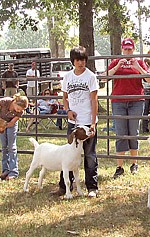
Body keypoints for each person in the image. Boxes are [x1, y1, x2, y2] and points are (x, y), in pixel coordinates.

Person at [54, 46, 100, 197]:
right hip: (73, 122)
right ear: (73, 61)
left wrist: (93, 123)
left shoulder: (91, 77)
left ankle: (92, 187)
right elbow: (64, 97)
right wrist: (67, 110)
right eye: (78, 60)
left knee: (90, 155)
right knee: (69, 153)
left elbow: (94, 100)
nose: (81, 63)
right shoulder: (67, 77)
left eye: (83, 60)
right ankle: (64, 186)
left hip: (87, 121)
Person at [108, 38, 150, 178]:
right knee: (121, 132)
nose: (128, 52)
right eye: (125, 49)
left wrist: (138, 67)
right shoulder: (116, 61)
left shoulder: (139, 62)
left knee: (134, 132)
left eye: (130, 49)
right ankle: (119, 166)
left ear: (133, 49)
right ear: (122, 49)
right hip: (118, 100)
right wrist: (117, 67)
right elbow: (104, 77)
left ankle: (134, 163)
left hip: (136, 100)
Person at [0, 93, 29, 180]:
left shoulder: (20, 112)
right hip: (1, 122)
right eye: (18, 108)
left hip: (10, 126)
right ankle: (5, 169)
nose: (19, 111)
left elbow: (12, 123)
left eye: (21, 110)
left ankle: (13, 171)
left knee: (11, 147)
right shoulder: (4, 102)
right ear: (15, 102)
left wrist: (4, 126)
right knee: (4, 146)